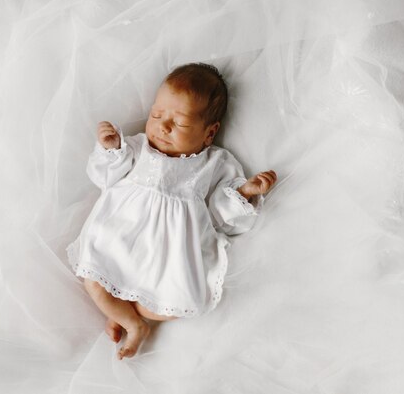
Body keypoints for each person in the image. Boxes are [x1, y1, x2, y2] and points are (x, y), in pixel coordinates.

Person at [66, 63, 277, 360]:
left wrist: (246, 192)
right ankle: (132, 324)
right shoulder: (138, 148)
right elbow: (104, 178)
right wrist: (112, 149)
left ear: (209, 133)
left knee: (173, 304)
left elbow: (219, 215)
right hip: (121, 237)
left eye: (179, 123)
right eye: (157, 115)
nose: (163, 127)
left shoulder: (214, 163)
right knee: (94, 281)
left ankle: (129, 313)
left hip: (170, 254)